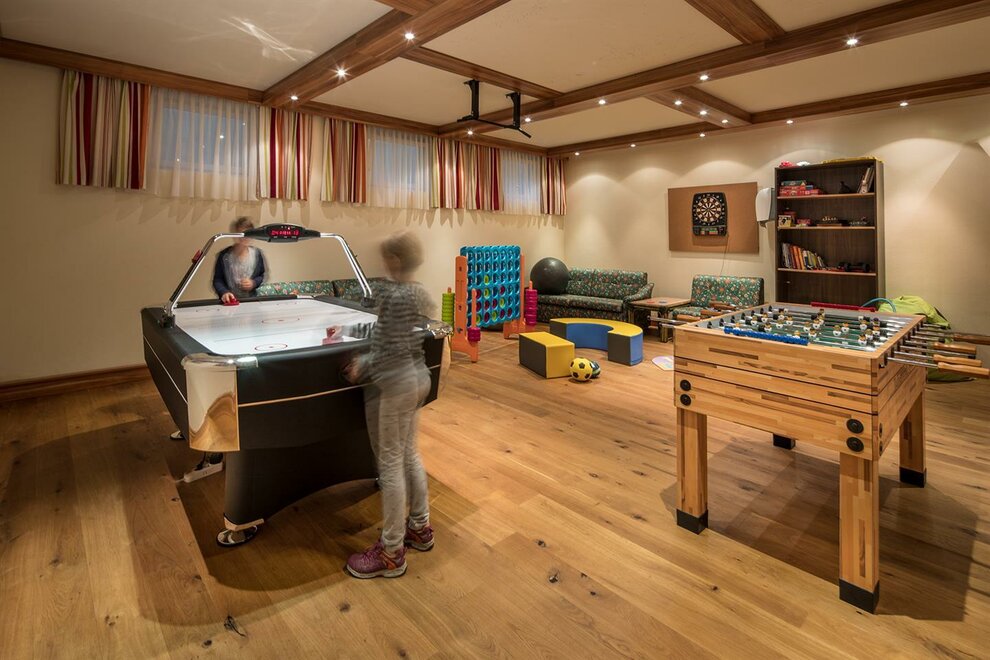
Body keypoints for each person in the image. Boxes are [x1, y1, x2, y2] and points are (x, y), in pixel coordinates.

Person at [345, 231, 435, 579]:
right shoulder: (417, 292)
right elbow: (392, 334)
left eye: (386, 258)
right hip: (418, 378)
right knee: (409, 454)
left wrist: (362, 365)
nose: (383, 264)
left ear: (395, 260)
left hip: (397, 384)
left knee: (391, 466)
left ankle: (392, 552)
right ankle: (420, 528)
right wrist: (354, 331)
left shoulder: (395, 296)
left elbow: (387, 348)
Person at [213, 217, 267, 303]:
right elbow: (217, 279)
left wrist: (254, 283)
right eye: (240, 233)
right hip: (230, 301)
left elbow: (263, 275)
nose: (244, 237)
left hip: (251, 300)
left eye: (248, 234)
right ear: (235, 234)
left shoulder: (257, 254)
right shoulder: (224, 256)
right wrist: (224, 292)